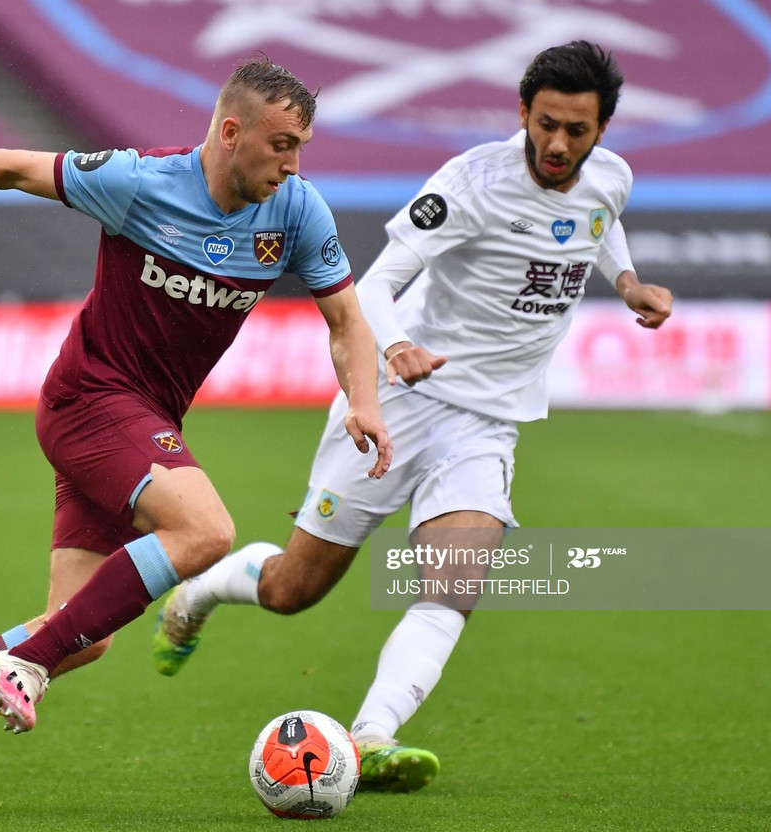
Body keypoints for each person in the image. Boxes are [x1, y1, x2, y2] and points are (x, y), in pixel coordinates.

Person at [0, 57, 392, 813]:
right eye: (282, 144)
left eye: (301, 147)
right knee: (206, 529)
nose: (293, 163)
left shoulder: (295, 212)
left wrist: (365, 399)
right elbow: (9, 166)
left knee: (82, 634)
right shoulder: (140, 182)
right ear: (231, 132)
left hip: (144, 422)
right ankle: (25, 665)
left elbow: (348, 321)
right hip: (90, 400)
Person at [153, 41, 673, 793]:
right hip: (398, 400)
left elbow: (600, 220)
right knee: (295, 588)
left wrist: (625, 281)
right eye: (548, 124)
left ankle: (370, 735)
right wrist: (395, 348)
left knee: (452, 583)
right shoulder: (469, 184)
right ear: (523, 113)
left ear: (602, 132)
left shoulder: (610, 179)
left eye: (579, 131)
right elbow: (373, 285)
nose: (560, 144)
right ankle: (201, 591)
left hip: (487, 421)